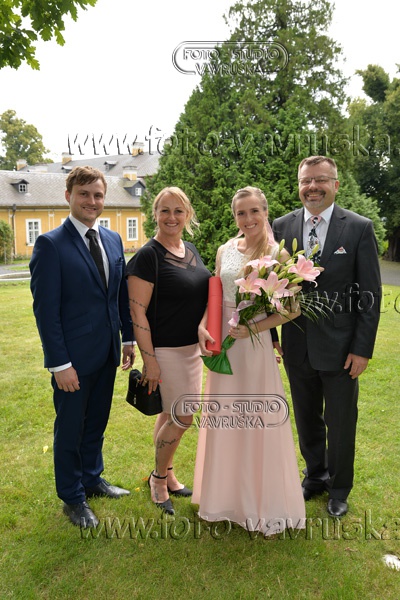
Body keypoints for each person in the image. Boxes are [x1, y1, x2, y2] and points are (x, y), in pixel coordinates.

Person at [192, 186, 306, 537]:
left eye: (254, 211)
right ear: (234, 217)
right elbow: (215, 296)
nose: (248, 218)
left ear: (265, 212)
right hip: (224, 344)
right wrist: (203, 325)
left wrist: (252, 327)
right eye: (241, 213)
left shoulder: (278, 253)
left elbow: (292, 309)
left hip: (253, 348)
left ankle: (259, 503)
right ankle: (223, 498)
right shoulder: (224, 249)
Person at [272, 156, 381, 517]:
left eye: (320, 180)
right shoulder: (281, 226)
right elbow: (271, 287)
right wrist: (272, 335)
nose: (312, 187)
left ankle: (339, 488)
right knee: (306, 418)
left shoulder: (359, 228)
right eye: (306, 181)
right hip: (297, 344)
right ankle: (315, 476)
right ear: (299, 186)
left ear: (335, 185)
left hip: (341, 348)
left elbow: (370, 295)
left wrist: (361, 349)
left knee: (341, 421)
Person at [30, 166, 135, 528]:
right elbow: (46, 311)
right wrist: (60, 364)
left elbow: (119, 294)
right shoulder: (51, 245)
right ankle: (72, 497)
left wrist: (127, 338)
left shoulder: (113, 240)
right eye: (84, 194)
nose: (92, 201)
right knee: (71, 428)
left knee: (96, 423)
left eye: (98, 195)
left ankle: (92, 479)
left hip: (107, 352)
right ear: (68, 196)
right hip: (72, 359)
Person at [126, 186, 210, 515]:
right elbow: (137, 313)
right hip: (165, 351)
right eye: (165, 210)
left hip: (192, 351)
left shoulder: (190, 249)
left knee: (168, 413)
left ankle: (168, 473)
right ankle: (158, 480)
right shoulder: (148, 256)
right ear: (155, 215)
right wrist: (151, 361)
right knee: (183, 416)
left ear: (187, 215)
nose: (171, 217)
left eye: (178, 211)